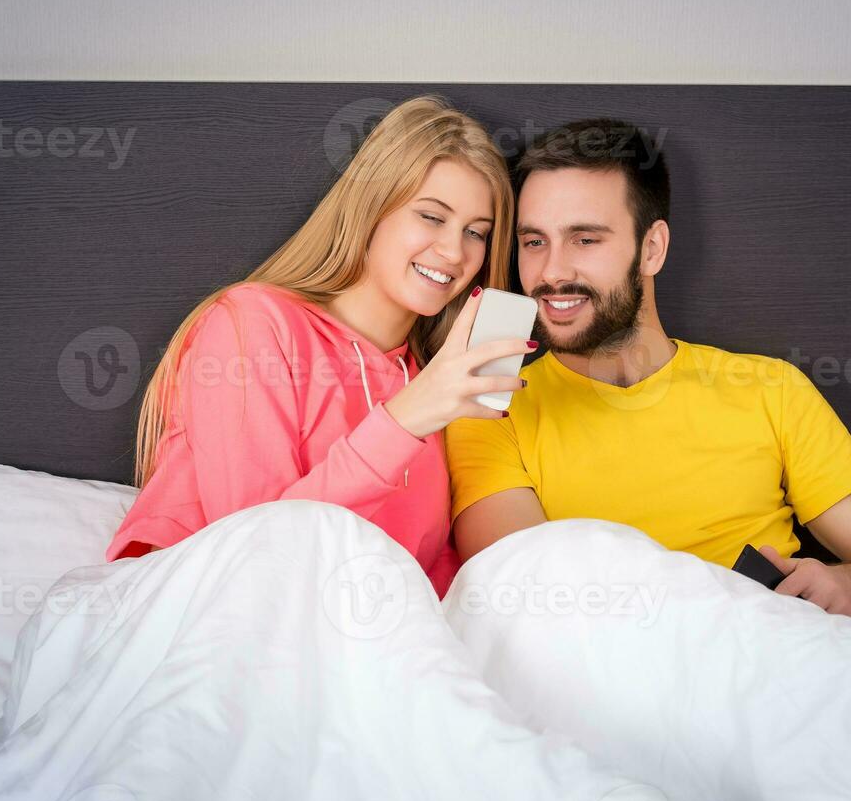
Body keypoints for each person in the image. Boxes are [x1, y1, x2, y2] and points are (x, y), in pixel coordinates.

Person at [445, 118, 851, 626]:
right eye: (534, 242)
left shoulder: (772, 391)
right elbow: (530, 593)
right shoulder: (490, 407)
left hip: (781, 657)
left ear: (652, 248)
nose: (551, 272)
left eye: (585, 240)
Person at [105, 95, 536, 597]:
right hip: (211, 616)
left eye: (476, 233)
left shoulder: (434, 385)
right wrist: (402, 421)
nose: (454, 251)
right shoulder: (251, 324)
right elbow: (256, 551)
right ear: (372, 209)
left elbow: (427, 570)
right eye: (432, 217)